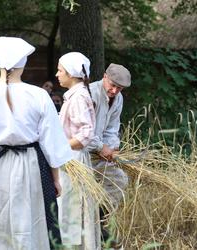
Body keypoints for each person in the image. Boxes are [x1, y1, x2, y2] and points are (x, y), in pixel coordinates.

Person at [0, 36, 72, 250]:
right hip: (29, 168)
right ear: (23, 63)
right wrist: (55, 179)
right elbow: (51, 142)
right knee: (30, 222)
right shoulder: (38, 96)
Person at [56, 52, 100, 249]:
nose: (57, 74)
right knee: (69, 208)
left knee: (72, 208)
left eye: (60, 70)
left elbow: (85, 133)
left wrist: (60, 146)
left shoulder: (78, 97)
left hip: (73, 160)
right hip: (69, 159)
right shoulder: (75, 95)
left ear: (72, 74)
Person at [88, 63, 131, 244]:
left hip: (100, 154)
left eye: (119, 88)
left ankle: (97, 222)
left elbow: (113, 128)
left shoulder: (118, 98)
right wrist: (100, 147)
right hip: (80, 152)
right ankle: (92, 230)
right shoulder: (90, 94)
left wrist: (113, 147)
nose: (114, 91)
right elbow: (82, 131)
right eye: (112, 85)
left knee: (119, 180)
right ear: (105, 76)